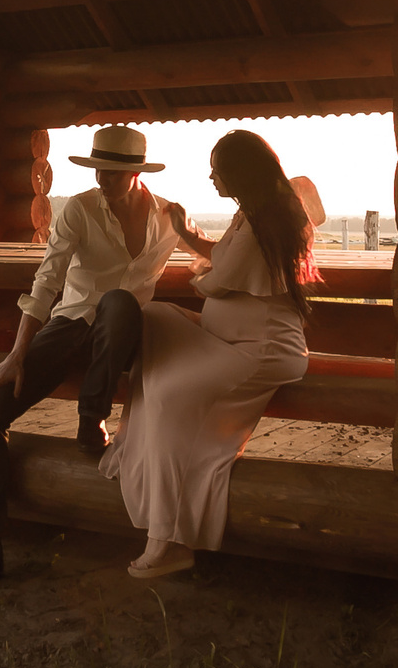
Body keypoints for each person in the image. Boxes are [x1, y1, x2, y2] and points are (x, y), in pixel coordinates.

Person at [0, 124, 190, 589]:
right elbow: (47, 280)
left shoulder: (170, 216)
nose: (101, 179)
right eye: (97, 170)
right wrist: (17, 354)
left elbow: (211, 255)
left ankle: (92, 417)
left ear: (136, 173)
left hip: (125, 337)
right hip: (72, 325)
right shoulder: (79, 210)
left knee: (119, 302)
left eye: (111, 172)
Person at [103, 131, 320, 579]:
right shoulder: (254, 214)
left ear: (241, 173)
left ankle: (168, 538)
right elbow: (224, 257)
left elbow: (216, 280)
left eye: (217, 170)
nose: (211, 177)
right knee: (154, 317)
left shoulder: (265, 221)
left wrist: (200, 269)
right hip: (225, 338)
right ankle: (140, 452)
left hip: (258, 351)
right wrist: (187, 234)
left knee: (167, 395)